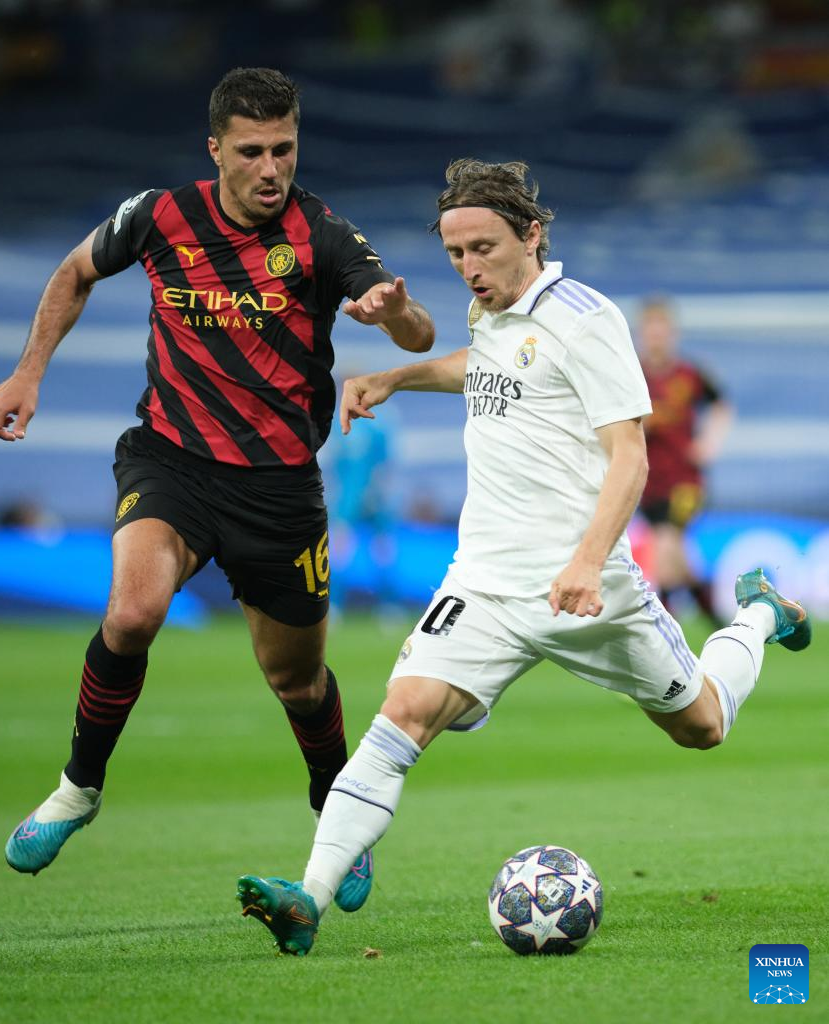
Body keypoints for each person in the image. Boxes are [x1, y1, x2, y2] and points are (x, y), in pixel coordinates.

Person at [235, 158, 810, 955]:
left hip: (587, 587)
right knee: (402, 715)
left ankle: (759, 613)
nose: (469, 268)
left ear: (531, 235)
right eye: (455, 254)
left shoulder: (587, 319)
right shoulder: (492, 313)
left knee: (703, 725)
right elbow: (486, 369)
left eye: (484, 248)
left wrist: (586, 562)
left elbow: (630, 457)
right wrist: (398, 377)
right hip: (484, 583)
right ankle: (310, 899)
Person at [0, 67, 435, 910]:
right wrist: (26, 373)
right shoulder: (161, 216)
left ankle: (337, 813)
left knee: (298, 682)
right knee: (131, 615)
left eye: (285, 149)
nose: (272, 169)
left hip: (279, 490)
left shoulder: (322, 234)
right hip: (172, 462)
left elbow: (420, 330)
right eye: (253, 151)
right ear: (216, 149)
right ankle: (77, 789)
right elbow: (75, 271)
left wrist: (394, 313)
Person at [638, 297, 733, 622]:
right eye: (651, 330)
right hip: (648, 482)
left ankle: (666, 636)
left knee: (665, 553)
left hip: (685, 481)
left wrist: (709, 442)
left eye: (661, 330)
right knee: (678, 563)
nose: (656, 337)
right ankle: (719, 622)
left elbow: (721, 405)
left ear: (672, 333)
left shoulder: (689, 374)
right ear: (642, 334)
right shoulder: (633, 375)